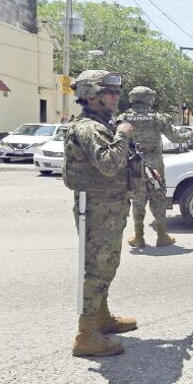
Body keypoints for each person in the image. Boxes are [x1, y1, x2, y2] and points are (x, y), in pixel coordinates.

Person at [61, 70, 137, 358]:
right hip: (98, 209)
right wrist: (122, 134)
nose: (115, 97)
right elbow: (108, 164)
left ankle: (101, 318)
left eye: (117, 92)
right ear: (91, 96)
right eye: (109, 92)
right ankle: (86, 334)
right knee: (97, 269)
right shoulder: (90, 128)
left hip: (108, 207)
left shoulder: (99, 123)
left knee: (107, 265)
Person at [117, 86, 188, 248]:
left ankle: (139, 237)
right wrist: (192, 134)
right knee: (158, 198)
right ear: (148, 99)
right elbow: (176, 138)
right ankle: (162, 236)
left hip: (133, 164)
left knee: (137, 199)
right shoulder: (158, 118)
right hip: (155, 165)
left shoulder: (123, 118)